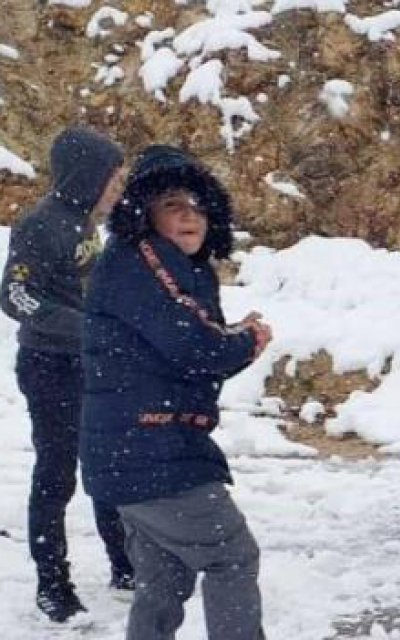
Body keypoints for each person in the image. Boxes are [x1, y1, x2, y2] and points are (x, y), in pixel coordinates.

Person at [80, 144, 273, 640]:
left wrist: (231, 341)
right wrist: (244, 341)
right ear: (144, 213)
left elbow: (190, 354)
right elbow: (195, 348)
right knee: (232, 556)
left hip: (144, 450)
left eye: (196, 205)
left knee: (163, 580)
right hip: (151, 454)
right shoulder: (139, 261)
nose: (189, 215)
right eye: (172, 205)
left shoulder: (166, 266)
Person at [0, 125, 133, 622]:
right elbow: (15, 296)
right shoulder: (40, 224)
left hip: (91, 364)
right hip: (48, 367)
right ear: (85, 177)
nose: (117, 187)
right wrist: (86, 328)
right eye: (111, 178)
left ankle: (125, 565)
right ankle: (51, 584)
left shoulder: (84, 222)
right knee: (57, 476)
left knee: (108, 466)